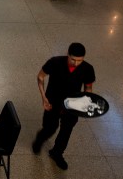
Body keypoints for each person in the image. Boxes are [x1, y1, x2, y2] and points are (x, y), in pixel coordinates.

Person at [32, 42, 95, 170]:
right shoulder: (55, 62)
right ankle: (39, 140)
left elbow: (88, 87)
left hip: (73, 105)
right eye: (73, 59)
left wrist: (85, 102)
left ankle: (57, 153)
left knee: (66, 130)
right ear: (68, 54)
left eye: (80, 60)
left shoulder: (88, 68)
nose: (76, 63)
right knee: (50, 127)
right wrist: (44, 98)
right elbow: (40, 76)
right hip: (53, 101)